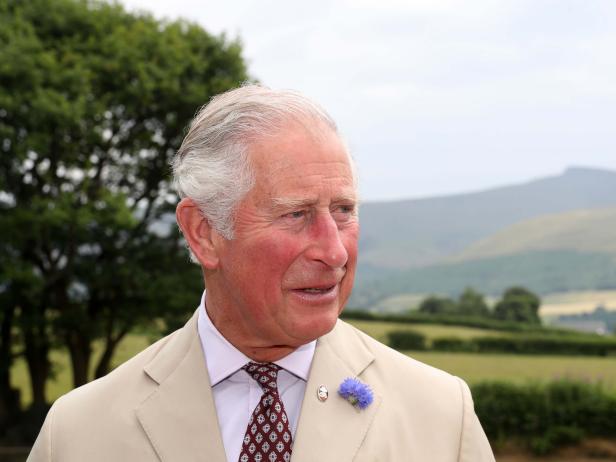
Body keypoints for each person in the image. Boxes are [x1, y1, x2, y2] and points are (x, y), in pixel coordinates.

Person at [28, 85, 495, 461]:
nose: (335, 251)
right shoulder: (77, 432)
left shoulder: (441, 414)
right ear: (204, 232)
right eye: (296, 214)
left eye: (344, 210)